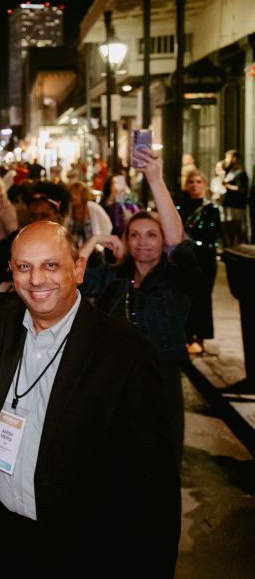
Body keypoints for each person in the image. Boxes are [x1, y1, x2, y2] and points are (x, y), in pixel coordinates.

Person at [0, 208, 179, 577]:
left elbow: (153, 486)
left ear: (78, 270)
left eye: (51, 266)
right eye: (23, 267)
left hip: (75, 545)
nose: (36, 280)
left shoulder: (126, 354)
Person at [80, 149, 203, 459]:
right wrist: (95, 242)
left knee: (161, 463)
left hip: (161, 381)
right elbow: (71, 279)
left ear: (163, 241)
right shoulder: (115, 279)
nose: (143, 241)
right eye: (135, 234)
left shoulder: (176, 279)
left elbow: (178, 240)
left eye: (152, 234)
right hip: (115, 382)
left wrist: (155, 180)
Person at [178, 170, 220, 355]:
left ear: (204, 184)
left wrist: (190, 241)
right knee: (186, 299)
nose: (194, 185)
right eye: (191, 182)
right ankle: (186, 337)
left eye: (198, 182)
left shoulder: (211, 209)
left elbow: (211, 239)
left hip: (204, 262)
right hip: (185, 261)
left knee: (202, 300)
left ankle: (200, 339)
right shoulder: (181, 206)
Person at [65, 180, 113, 255]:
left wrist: (99, 243)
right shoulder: (69, 209)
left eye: (76, 194)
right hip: (74, 252)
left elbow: (107, 225)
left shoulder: (93, 208)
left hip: (94, 252)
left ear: (83, 195)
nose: (73, 196)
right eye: (72, 194)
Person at [219, 149, 248, 246]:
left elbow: (241, 189)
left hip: (236, 205)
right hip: (227, 204)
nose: (226, 160)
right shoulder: (229, 172)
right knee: (227, 227)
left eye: (227, 157)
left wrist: (227, 185)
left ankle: (238, 248)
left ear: (234, 158)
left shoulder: (240, 173)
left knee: (235, 227)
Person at [101, 173, 139, 237]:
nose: (118, 185)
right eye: (115, 183)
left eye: (120, 182)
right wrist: (113, 195)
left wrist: (128, 195)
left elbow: (137, 213)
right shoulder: (106, 203)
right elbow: (103, 211)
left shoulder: (128, 203)